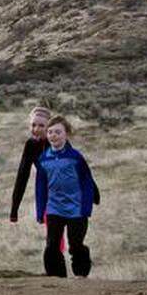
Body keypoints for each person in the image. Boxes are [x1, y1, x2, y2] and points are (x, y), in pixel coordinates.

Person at [35, 115, 99, 278]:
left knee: (75, 245)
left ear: (66, 134)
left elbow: (87, 181)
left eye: (58, 132)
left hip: (76, 208)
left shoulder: (75, 157)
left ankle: (81, 274)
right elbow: (40, 187)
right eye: (49, 132)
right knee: (52, 245)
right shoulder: (43, 159)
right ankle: (56, 278)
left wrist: (87, 207)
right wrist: (40, 211)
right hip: (54, 207)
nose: (53, 135)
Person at [9, 106, 52, 222]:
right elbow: (22, 176)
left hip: (62, 188)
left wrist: (92, 190)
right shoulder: (31, 145)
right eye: (33, 125)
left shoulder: (58, 141)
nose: (36, 129)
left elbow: (78, 165)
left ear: (49, 127)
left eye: (41, 126)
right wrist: (14, 208)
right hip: (43, 187)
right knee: (52, 227)